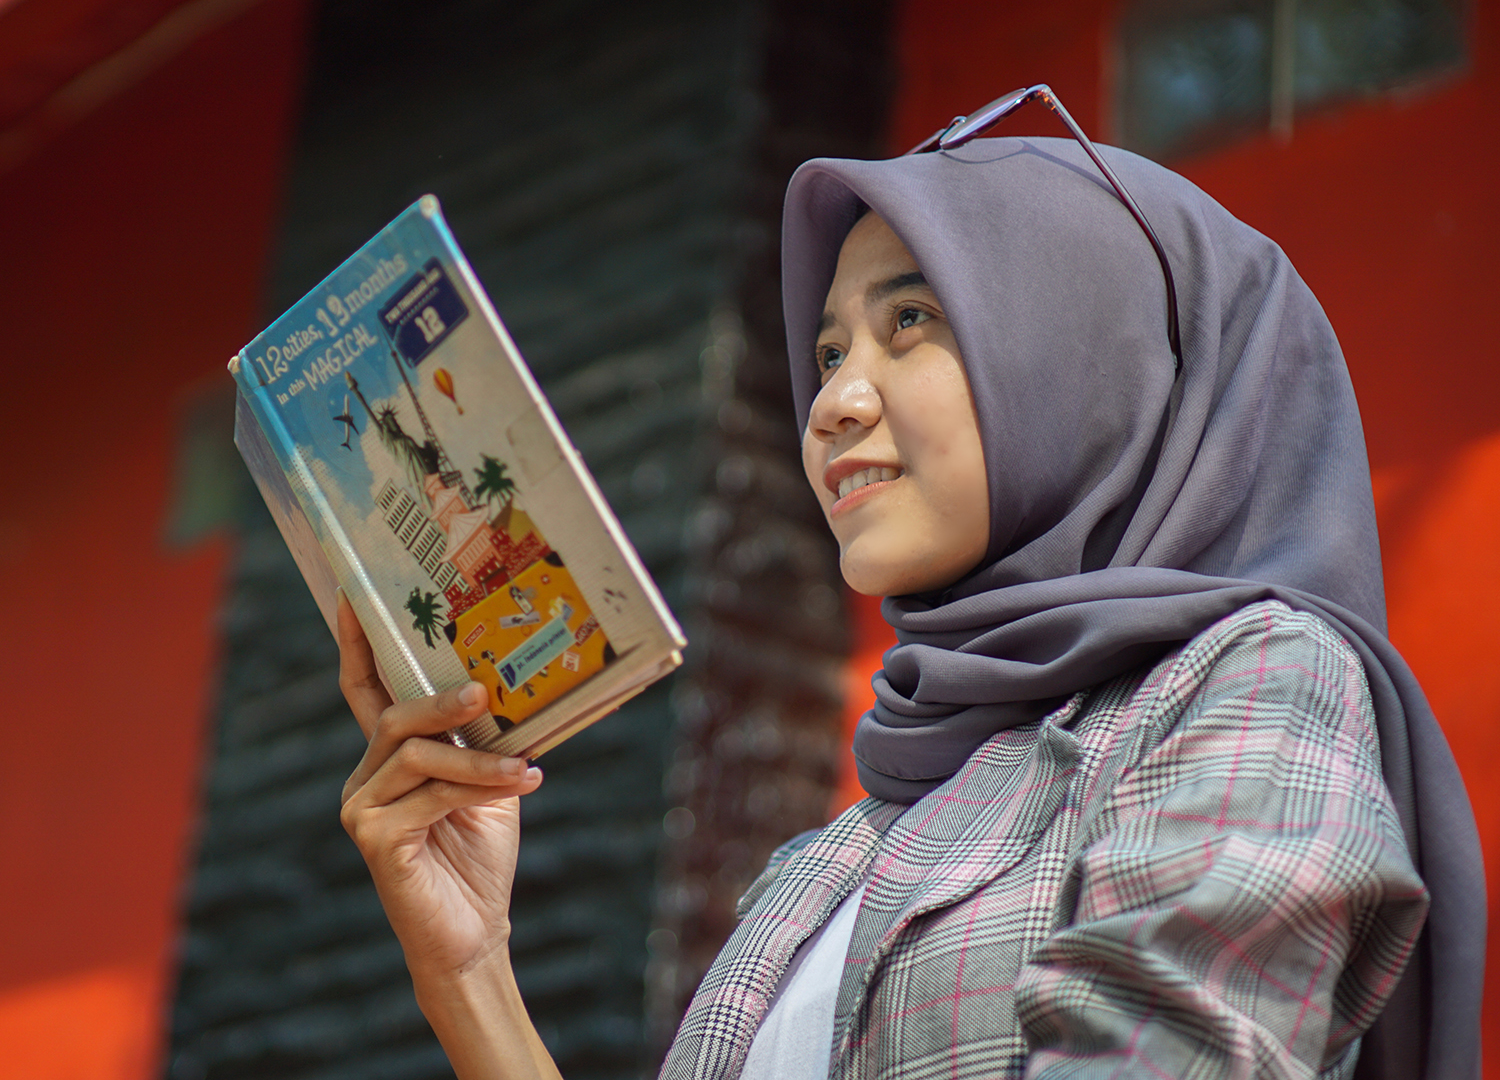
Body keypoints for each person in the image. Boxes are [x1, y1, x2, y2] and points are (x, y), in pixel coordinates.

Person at [336, 106, 1485, 1079]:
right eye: (830, 350)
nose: (833, 399)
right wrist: (469, 967)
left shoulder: (1252, 678)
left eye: (912, 321)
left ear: (1092, 362)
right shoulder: (839, 850)